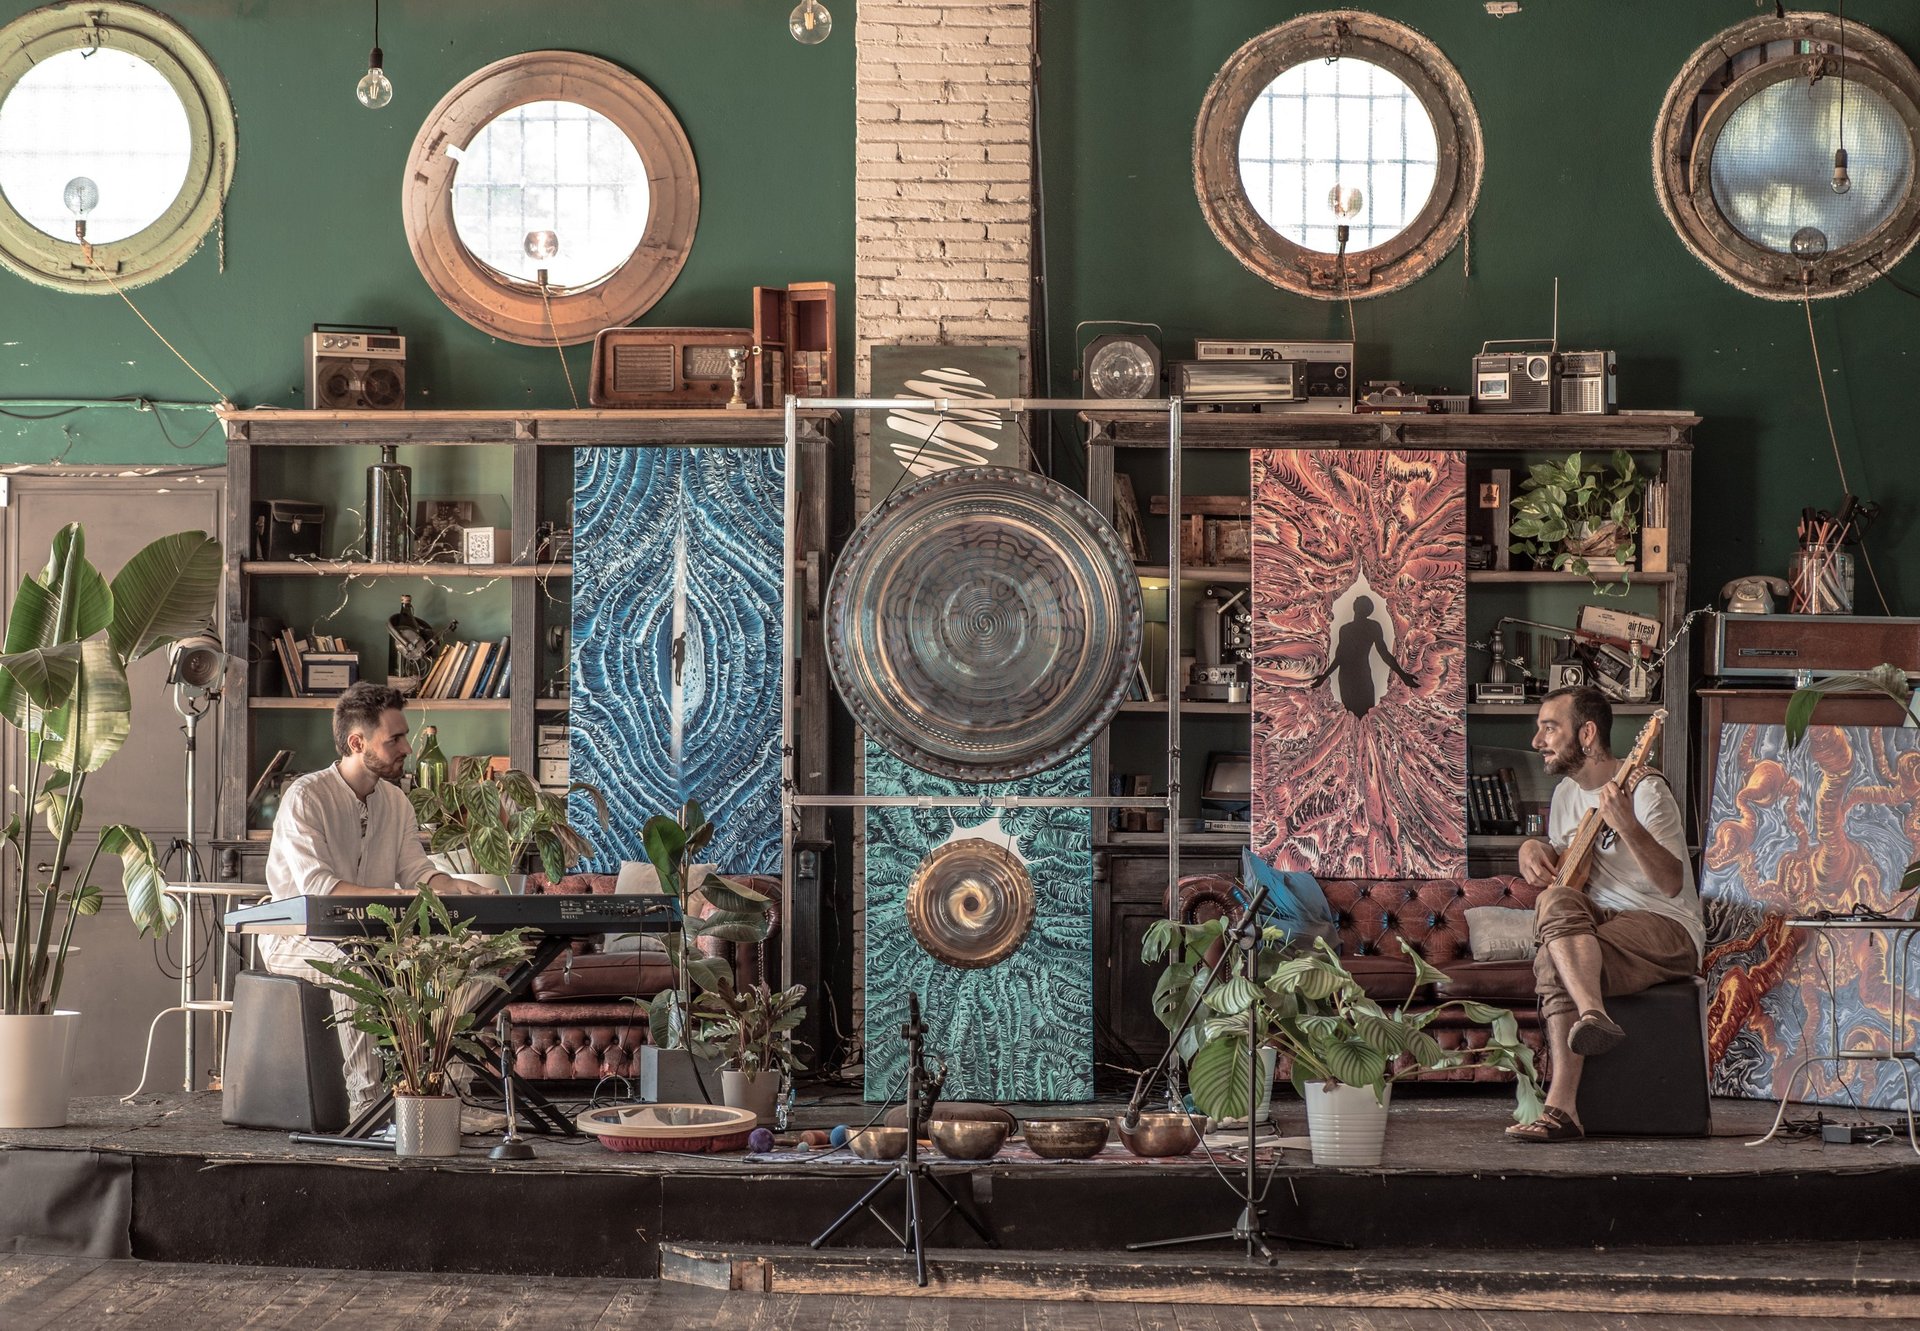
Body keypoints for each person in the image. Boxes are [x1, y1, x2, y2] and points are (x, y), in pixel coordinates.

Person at [261, 681, 482, 1117]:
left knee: (472, 958)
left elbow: (417, 874)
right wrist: (402, 899)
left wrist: (459, 886)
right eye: (394, 739)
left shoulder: (396, 801)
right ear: (357, 742)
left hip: (374, 937)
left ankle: (442, 1096)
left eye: (404, 738)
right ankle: (370, 1111)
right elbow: (320, 889)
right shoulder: (305, 797)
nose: (407, 749)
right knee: (354, 969)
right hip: (296, 935)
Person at [1505, 685, 1702, 1143]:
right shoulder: (1564, 796)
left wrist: (1627, 824)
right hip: (1601, 922)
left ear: (1587, 733)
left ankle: (1561, 1108)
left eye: (1549, 728)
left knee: (1551, 959)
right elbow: (1569, 871)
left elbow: (1672, 883)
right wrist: (1532, 848)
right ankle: (1593, 1018)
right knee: (1551, 902)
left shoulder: (1648, 790)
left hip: (1665, 926)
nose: (1538, 741)